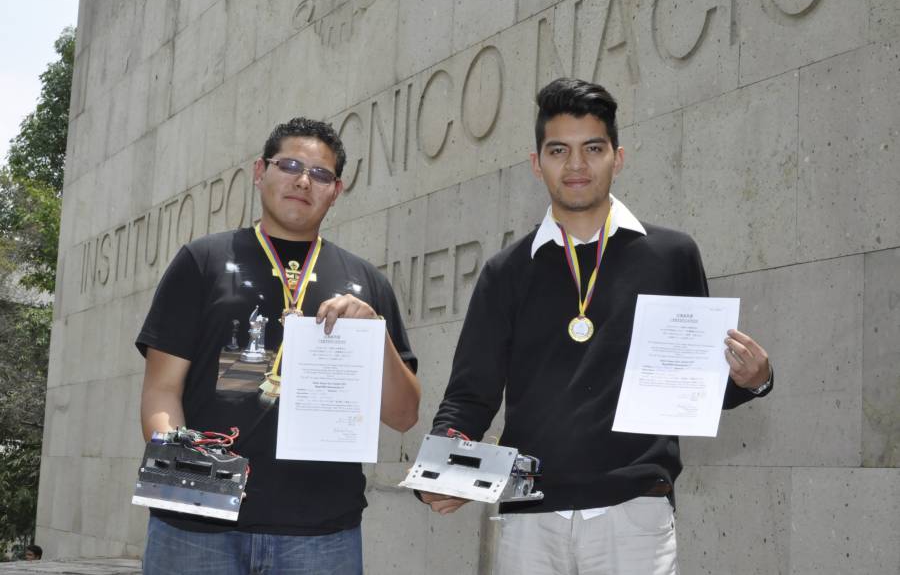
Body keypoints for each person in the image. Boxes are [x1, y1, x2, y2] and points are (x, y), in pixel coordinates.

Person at [420, 78, 773, 574]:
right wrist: (441, 470)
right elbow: (470, 394)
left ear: (618, 157)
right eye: (559, 150)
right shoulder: (506, 271)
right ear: (536, 162)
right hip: (530, 517)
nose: (577, 164)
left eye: (593, 148)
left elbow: (695, 384)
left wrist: (752, 380)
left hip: (635, 514)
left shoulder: (671, 255)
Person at [137, 117, 420, 574]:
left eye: (320, 174)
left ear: (336, 189)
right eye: (289, 165)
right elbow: (161, 389)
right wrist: (184, 468)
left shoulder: (367, 283)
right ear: (259, 172)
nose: (303, 180)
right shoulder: (202, 262)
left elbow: (404, 416)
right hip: (197, 530)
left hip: (321, 535)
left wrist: (376, 332)